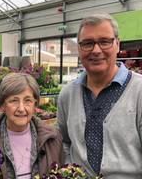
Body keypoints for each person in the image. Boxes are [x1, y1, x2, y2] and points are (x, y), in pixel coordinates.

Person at [57, 13, 142, 178]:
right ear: (79, 48)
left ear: (117, 44)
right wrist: (69, 170)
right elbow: (64, 142)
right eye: (87, 43)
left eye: (104, 41)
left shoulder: (138, 91)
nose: (96, 50)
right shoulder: (67, 95)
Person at [0, 72, 63, 179]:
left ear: (35, 104)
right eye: (14, 101)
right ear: (2, 105)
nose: (21, 108)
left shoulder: (52, 139)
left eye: (28, 100)